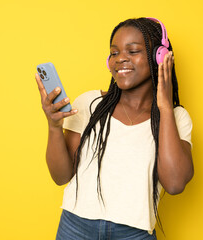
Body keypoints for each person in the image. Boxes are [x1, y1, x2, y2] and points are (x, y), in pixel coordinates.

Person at [35, 17, 193, 240]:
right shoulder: (90, 104)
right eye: (115, 52)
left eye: (133, 51)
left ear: (160, 57)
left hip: (134, 234)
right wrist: (53, 126)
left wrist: (165, 107)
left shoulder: (177, 118)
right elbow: (61, 176)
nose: (121, 59)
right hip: (75, 228)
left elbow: (175, 183)